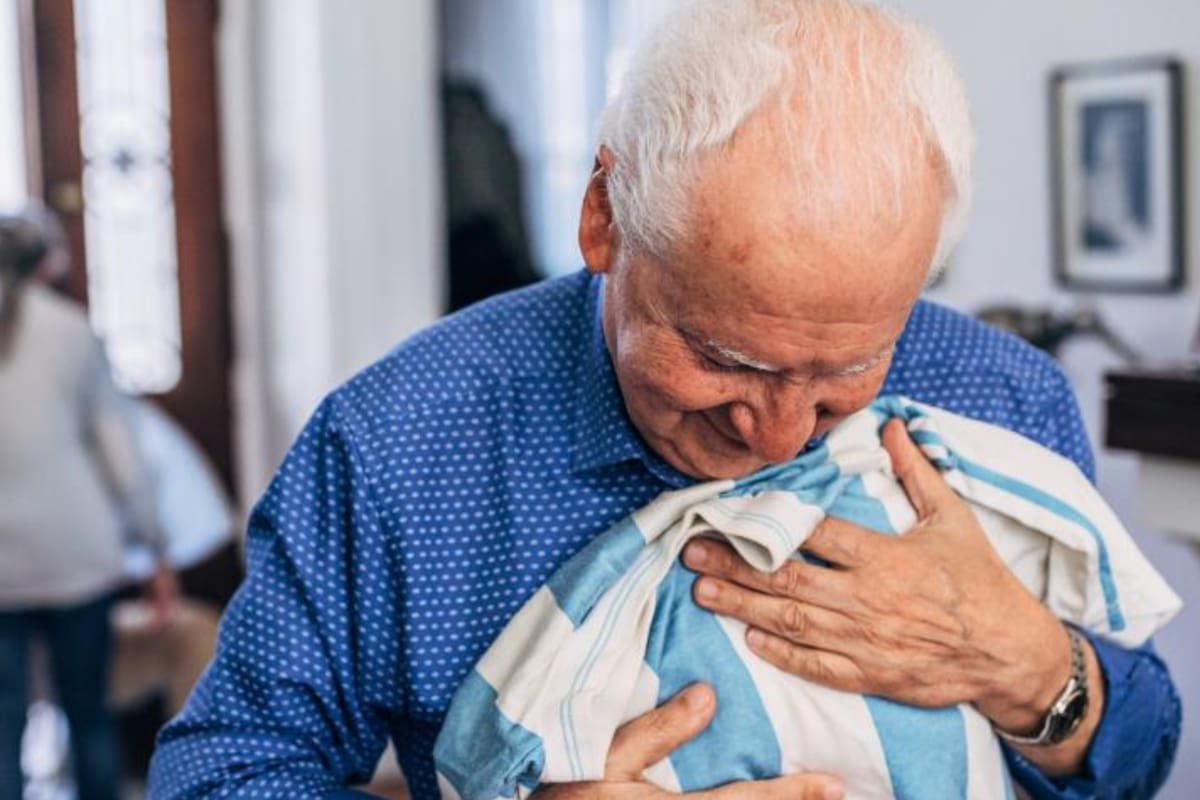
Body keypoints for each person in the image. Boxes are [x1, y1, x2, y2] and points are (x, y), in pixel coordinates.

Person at [149, 1, 1181, 798]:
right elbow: (223, 771)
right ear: (604, 215)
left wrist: (1041, 673)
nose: (776, 433)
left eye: (841, 376)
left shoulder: (1001, 400)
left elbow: (1134, 762)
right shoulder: (399, 444)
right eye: (723, 356)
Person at [0, 204, 178, 800]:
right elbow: (119, 454)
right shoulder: (72, 331)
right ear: (46, 263)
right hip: (74, 553)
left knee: (3, 724)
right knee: (88, 713)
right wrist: (154, 547)